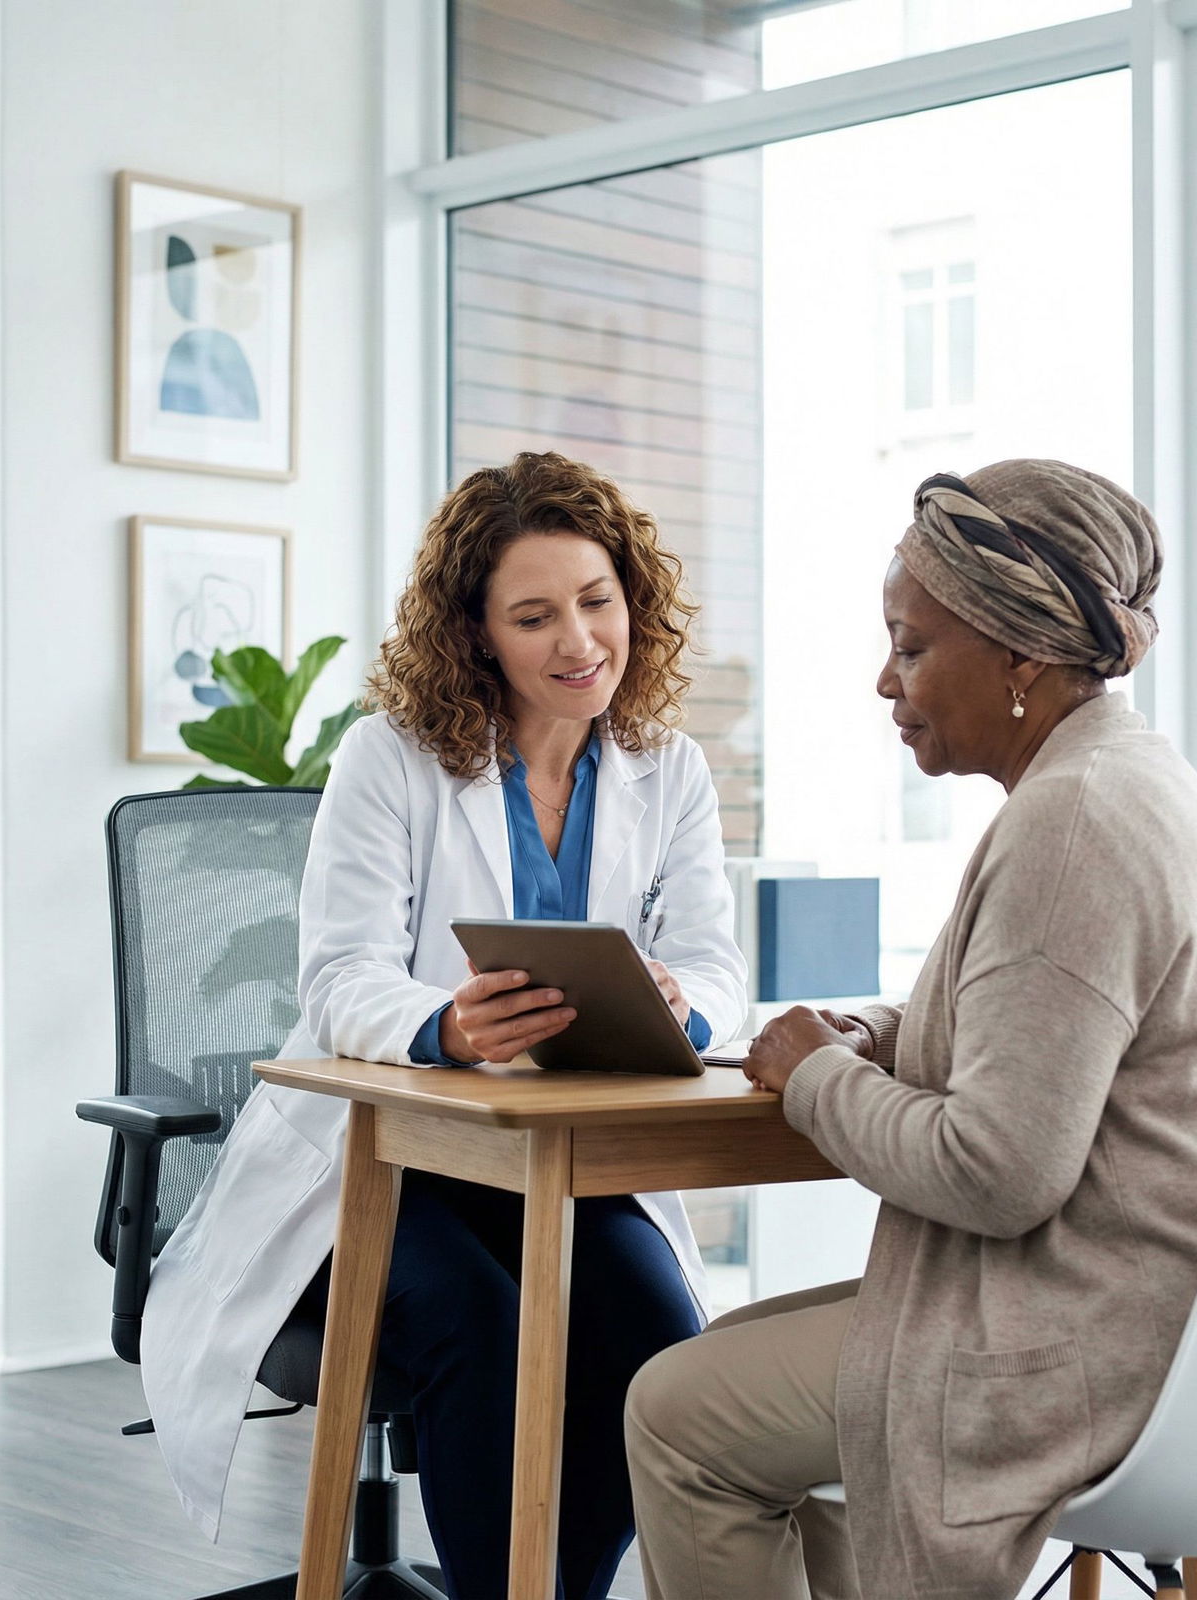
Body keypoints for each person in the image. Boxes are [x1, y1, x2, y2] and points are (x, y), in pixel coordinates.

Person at [623, 460, 1197, 1600]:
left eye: (911, 646)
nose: (883, 680)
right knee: (729, 1391)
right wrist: (873, 1033)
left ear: (1020, 655)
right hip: (1190, 1328)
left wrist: (814, 1079)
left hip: (1097, 1348)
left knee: (676, 1417)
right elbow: (1033, 1012)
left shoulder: (1072, 824)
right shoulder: (1130, 777)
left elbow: (995, 1173)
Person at [140, 451, 747, 1599]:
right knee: (482, 1327)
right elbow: (339, 979)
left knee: (658, 1344)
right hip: (386, 1172)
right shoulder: (392, 757)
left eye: (597, 600)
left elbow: (718, 961)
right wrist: (445, 1027)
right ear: (475, 634)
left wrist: (688, 1000)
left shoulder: (667, 770)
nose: (579, 640)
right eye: (534, 616)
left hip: (558, 1168)